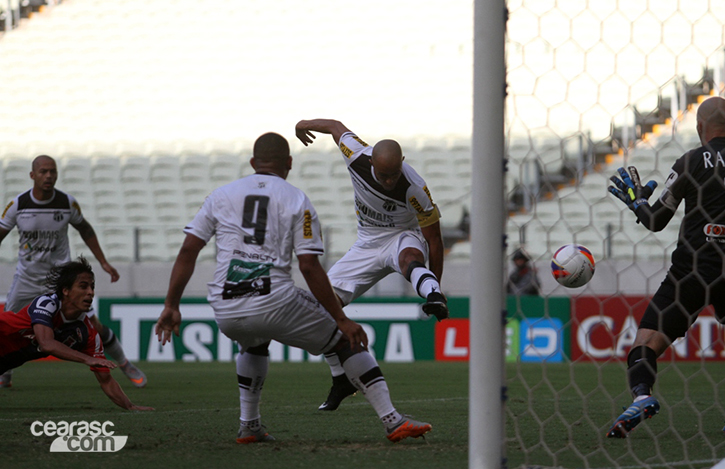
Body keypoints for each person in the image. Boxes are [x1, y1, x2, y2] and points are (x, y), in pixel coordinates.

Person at [154, 132, 432, 444]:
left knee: (253, 343)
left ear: (252, 163)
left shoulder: (219, 196)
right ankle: (393, 421)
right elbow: (309, 266)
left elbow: (188, 250)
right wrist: (341, 319)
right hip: (273, 298)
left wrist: (171, 305)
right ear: (289, 163)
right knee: (346, 340)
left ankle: (249, 426)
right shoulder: (296, 199)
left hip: (225, 304)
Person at [605, 97, 725, 438]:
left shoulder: (692, 161)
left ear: (700, 127)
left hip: (693, 270)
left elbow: (655, 221)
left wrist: (637, 201)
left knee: (647, 340)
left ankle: (642, 396)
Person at [295, 118, 449, 411]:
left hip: (401, 236)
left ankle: (432, 296)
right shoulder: (356, 155)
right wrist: (304, 124)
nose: (389, 181)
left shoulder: (415, 187)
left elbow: (434, 240)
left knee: (410, 259)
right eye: (383, 175)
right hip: (366, 243)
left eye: (393, 175)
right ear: (372, 163)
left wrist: (436, 286)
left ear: (402, 163)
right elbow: (335, 126)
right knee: (322, 305)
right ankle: (341, 379)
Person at [0, 155, 147, 389]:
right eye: (43, 171)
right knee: (6, 327)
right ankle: (5, 374)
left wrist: (103, 262)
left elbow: (85, 229)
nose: (49, 176)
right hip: (26, 280)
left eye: (53, 171)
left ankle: (124, 363)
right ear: (32, 175)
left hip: (60, 282)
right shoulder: (18, 205)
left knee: (93, 326)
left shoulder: (67, 203)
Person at [0, 257, 153, 411]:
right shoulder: (47, 303)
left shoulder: (88, 333)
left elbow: (106, 380)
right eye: (83, 287)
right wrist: (88, 359)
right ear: (65, 291)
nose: (90, 292)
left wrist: (130, 406)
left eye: (92, 287)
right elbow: (46, 344)